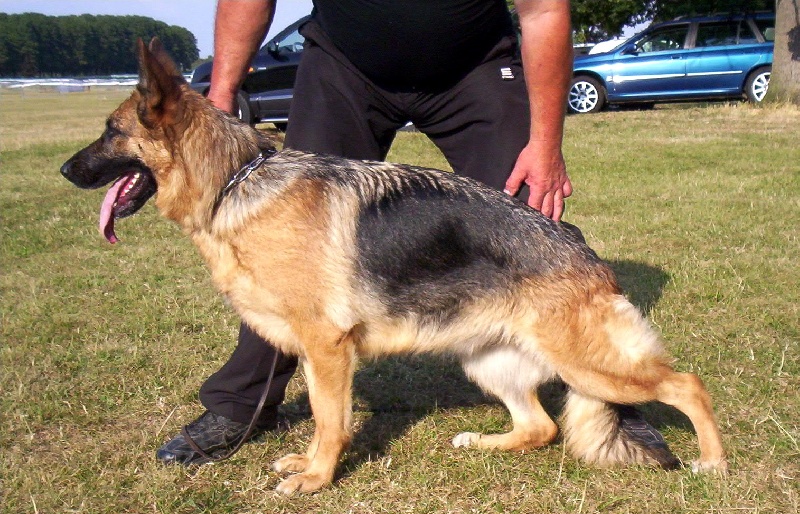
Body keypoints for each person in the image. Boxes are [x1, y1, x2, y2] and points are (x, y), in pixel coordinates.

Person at [157, 0, 577, 464]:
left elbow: (544, 11)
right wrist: (221, 92)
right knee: (285, 248)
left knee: (532, 219)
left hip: (474, 64)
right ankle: (240, 405)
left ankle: (600, 380)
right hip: (343, 67)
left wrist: (545, 145)